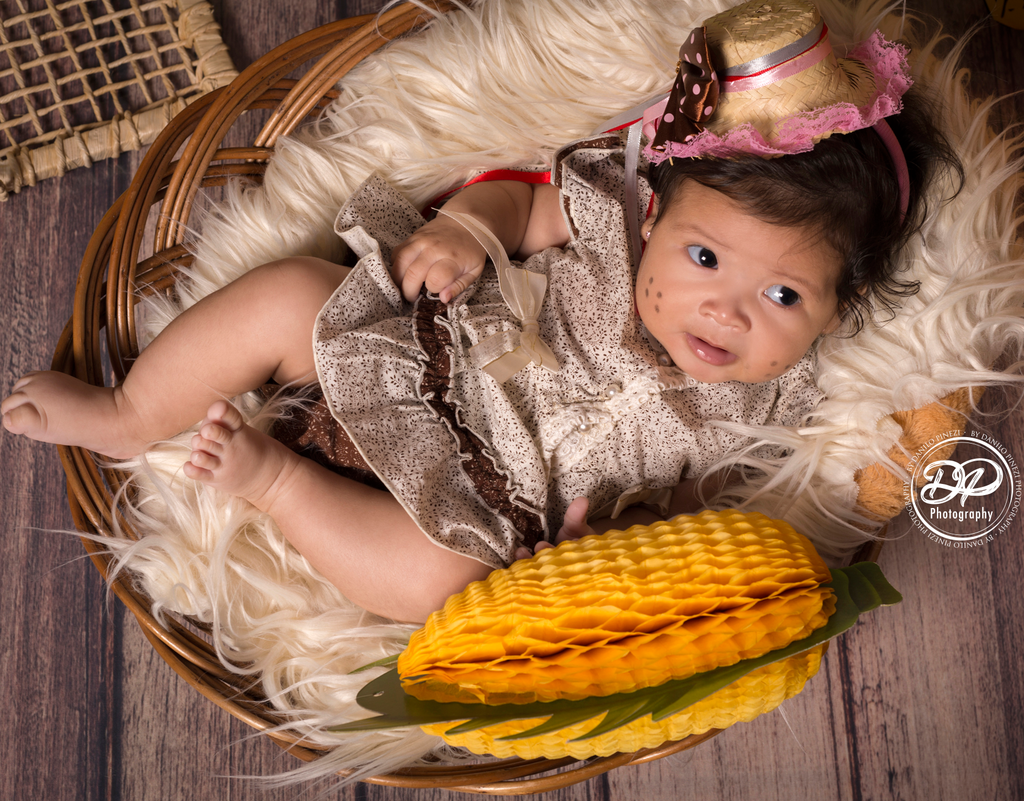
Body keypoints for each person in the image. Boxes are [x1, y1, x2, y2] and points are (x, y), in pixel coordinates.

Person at [1, 0, 957, 622]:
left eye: (784, 295)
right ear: (660, 212)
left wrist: (615, 548)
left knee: (441, 589)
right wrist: (465, 226)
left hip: (482, 512)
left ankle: (276, 485)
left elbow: (694, 521)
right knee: (295, 293)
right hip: (409, 355)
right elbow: (517, 194)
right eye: (705, 256)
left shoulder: (769, 410)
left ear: (843, 307)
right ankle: (130, 413)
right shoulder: (616, 225)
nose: (727, 307)